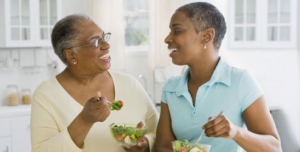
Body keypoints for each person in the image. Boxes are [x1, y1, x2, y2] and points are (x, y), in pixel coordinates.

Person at [155, 2, 281, 152]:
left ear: (207, 36)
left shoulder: (240, 81)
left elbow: (274, 148)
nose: (167, 39)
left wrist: (235, 132)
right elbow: (162, 146)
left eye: (177, 31)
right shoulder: (170, 89)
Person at [30, 14, 158, 152]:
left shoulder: (130, 84)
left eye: (104, 37)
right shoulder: (46, 94)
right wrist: (84, 120)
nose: (107, 45)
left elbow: (160, 132)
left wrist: (146, 144)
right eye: (96, 42)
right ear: (71, 54)